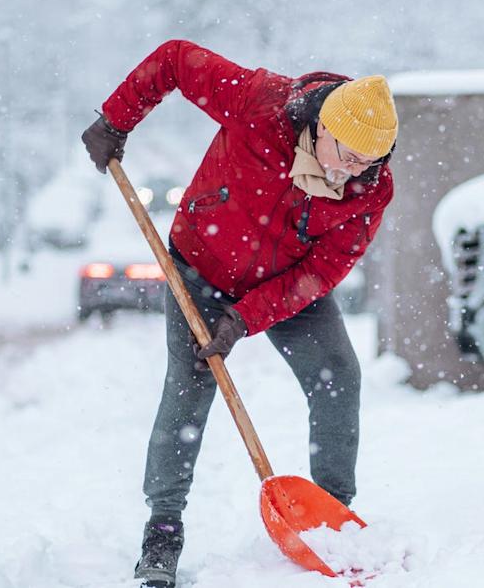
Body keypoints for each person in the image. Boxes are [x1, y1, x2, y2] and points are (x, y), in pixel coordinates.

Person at [80, 40, 397, 588]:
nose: (352, 170)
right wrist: (117, 119)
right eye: (346, 153)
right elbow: (177, 59)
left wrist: (247, 316)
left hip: (286, 283)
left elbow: (324, 268)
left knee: (338, 377)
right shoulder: (261, 103)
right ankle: (162, 530)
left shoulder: (371, 188)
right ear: (321, 125)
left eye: (368, 160)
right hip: (199, 267)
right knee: (190, 386)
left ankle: (331, 519)